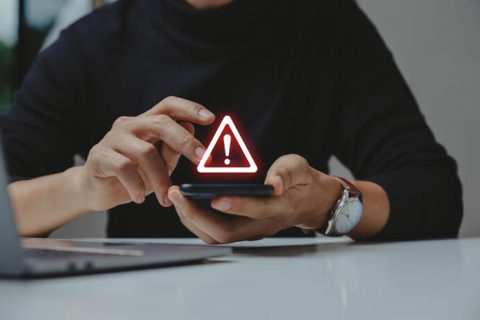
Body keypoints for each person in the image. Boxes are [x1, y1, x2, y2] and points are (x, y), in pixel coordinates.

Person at [0, 0, 462, 243]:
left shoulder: (326, 22)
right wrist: (83, 188)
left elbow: (434, 194)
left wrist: (324, 204)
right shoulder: (90, 45)